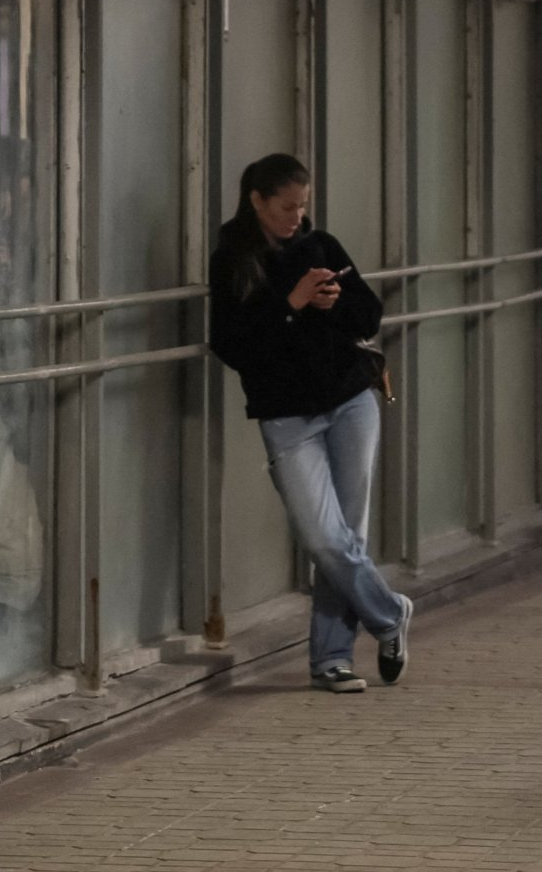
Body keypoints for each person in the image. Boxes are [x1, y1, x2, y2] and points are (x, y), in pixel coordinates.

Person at [207, 152, 413, 694]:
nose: (296, 217)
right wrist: (290, 304)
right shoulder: (232, 259)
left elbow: (369, 316)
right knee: (325, 539)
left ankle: (332, 660)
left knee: (349, 535)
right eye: (286, 207)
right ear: (257, 201)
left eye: (302, 206)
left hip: (350, 402)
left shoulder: (320, 246)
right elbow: (231, 345)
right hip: (286, 416)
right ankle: (390, 614)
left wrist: (334, 302)